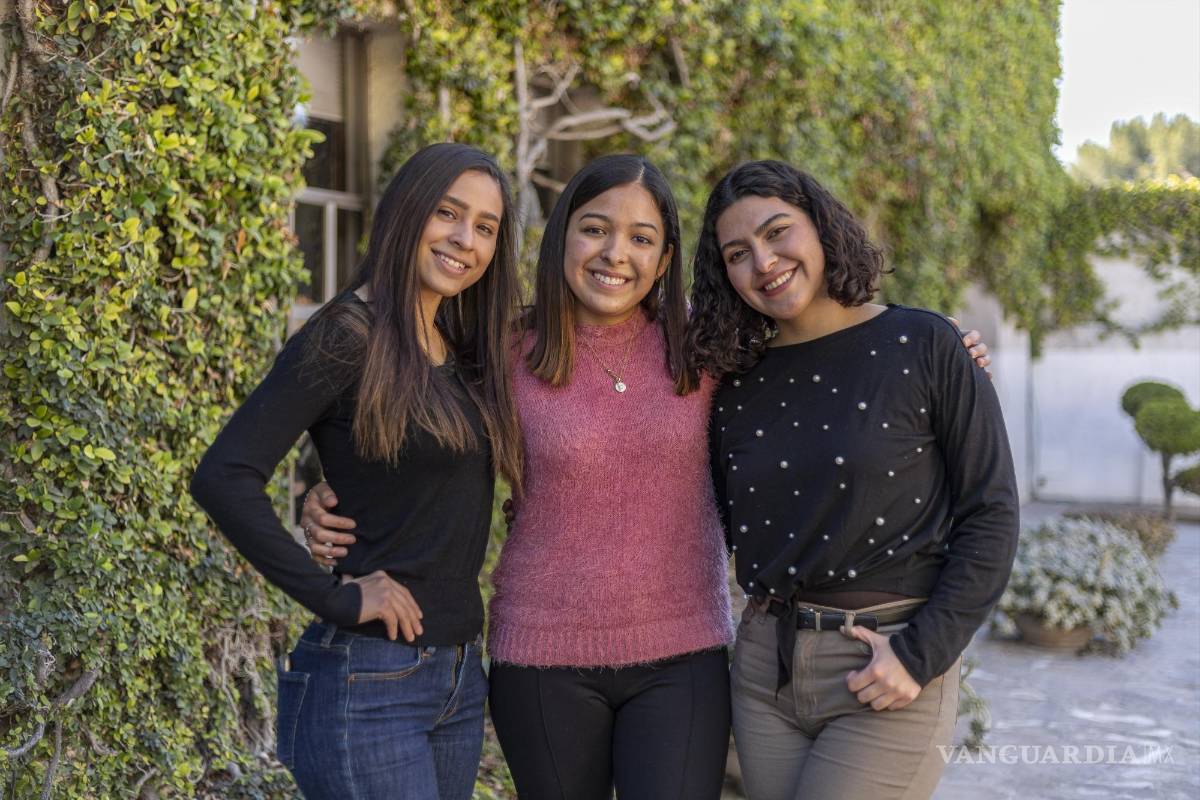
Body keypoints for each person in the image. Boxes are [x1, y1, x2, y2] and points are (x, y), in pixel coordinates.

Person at [300, 155, 993, 799]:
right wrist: (319, 488)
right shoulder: (504, 349)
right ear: (561, 238)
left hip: (683, 654)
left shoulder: (709, 350)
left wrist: (945, 350)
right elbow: (404, 418)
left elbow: (823, 378)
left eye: (640, 238)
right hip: (541, 655)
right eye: (595, 230)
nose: (614, 255)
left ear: (665, 259)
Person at [189, 142, 524, 800]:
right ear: (407, 212)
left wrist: (332, 492)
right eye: (448, 213)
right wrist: (336, 598)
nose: (465, 239)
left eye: (485, 227)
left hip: (456, 676)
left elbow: (408, 477)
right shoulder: (346, 334)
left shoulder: (455, 344)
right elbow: (224, 474)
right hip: (369, 679)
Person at [688, 159, 1019, 800]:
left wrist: (921, 655)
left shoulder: (925, 344)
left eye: (777, 232)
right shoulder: (732, 385)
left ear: (821, 227)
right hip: (766, 670)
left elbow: (993, 514)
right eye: (737, 253)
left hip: (886, 659)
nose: (763, 261)